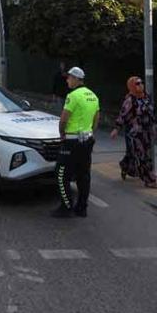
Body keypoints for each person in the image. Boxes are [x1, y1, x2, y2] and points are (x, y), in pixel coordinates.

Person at [52, 66, 100, 218]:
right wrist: (90, 133)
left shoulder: (73, 96)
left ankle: (66, 207)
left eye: (69, 77)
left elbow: (64, 118)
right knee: (83, 175)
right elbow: (96, 120)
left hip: (71, 141)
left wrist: (61, 134)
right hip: (87, 140)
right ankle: (82, 208)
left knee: (61, 173)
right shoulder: (93, 95)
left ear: (76, 79)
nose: (67, 80)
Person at [110, 76, 157, 189]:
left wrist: (153, 127)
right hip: (135, 133)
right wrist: (116, 128)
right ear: (132, 86)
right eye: (137, 83)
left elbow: (151, 114)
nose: (141, 85)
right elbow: (123, 115)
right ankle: (150, 180)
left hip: (146, 132)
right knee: (143, 156)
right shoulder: (130, 100)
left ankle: (125, 165)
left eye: (141, 83)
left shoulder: (147, 97)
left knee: (134, 155)